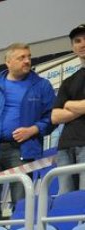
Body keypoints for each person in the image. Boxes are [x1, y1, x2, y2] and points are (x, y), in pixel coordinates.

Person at [0, 42, 55, 221]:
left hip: (22, 150)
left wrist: (34, 129)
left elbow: (53, 116)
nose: (27, 61)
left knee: (22, 200)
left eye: (28, 57)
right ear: (8, 62)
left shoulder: (42, 85)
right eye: (21, 57)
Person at [52, 25, 85, 194]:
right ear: (73, 47)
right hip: (65, 146)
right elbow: (55, 116)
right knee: (65, 200)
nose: (82, 44)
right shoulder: (69, 81)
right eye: (77, 41)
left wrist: (70, 104)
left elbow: (64, 110)